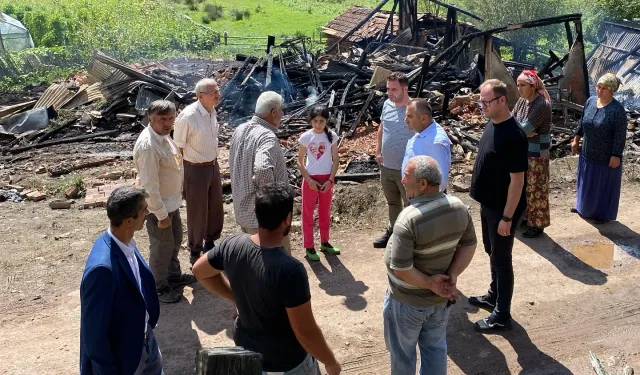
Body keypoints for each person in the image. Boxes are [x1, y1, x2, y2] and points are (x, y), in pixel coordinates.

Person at [192, 183, 341, 375]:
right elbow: (305, 331)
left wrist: (234, 297)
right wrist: (330, 362)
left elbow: (200, 271)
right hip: (285, 364)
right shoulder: (290, 270)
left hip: (247, 357)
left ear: (256, 212)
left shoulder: (232, 244)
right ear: (287, 219)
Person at [383, 156, 477, 375]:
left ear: (423, 184)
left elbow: (401, 268)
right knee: (435, 349)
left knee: (403, 355)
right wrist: (452, 275)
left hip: (407, 302)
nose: (403, 180)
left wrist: (428, 283)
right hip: (439, 301)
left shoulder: (409, 219)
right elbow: (469, 244)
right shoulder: (458, 207)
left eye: (407, 176)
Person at [80, 187, 162, 375]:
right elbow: (94, 336)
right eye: (143, 210)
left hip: (146, 341)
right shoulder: (102, 269)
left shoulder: (126, 243)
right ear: (129, 221)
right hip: (126, 358)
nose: (147, 214)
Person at [469, 79, 528, 332]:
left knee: (502, 259)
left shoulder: (514, 135)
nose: (482, 106)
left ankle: (502, 314)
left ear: (502, 100)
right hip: (488, 205)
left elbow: (517, 181)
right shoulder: (493, 122)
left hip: (502, 210)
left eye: (486, 101)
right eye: (480, 101)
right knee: (491, 252)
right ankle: (494, 296)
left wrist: (507, 217)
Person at [134, 100, 195, 304]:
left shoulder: (164, 137)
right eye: (162, 119)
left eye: (171, 118)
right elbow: (149, 186)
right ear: (150, 119)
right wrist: (160, 214)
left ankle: (173, 276)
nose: (168, 123)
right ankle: (159, 287)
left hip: (172, 203)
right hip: (158, 208)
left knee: (175, 241)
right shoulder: (148, 146)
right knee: (161, 248)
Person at [229, 91, 291, 254]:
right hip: (265, 220)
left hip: (243, 212)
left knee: (254, 266)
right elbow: (262, 169)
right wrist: (273, 203)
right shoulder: (266, 136)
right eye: (281, 110)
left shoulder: (240, 130)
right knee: (278, 269)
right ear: (273, 112)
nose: (282, 114)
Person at [173, 78, 224, 265]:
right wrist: (182, 175)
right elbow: (178, 148)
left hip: (212, 166)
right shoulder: (187, 117)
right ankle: (195, 250)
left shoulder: (212, 112)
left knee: (215, 206)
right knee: (197, 211)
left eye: (217, 90)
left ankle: (209, 242)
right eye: (213, 92)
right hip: (194, 169)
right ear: (200, 96)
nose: (217, 94)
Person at [571, 73, 627, 224]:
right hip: (587, 152)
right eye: (598, 87)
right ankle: (583, 207)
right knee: (586, 181)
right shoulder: (590, 101)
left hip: (605, 156)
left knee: (602, 185)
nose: (599, 90)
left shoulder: (617, 110)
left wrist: (616, 155)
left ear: (612, 91)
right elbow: (582, 122)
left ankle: (601, 214)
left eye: (604, 88)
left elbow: (620, 135)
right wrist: (576, 139)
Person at [374, 72, 415, 249]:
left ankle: (410, 239)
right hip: (386, 165)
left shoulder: (415, 108)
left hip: (407, 168)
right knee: (392, 202)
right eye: (388, 89)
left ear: (405, 89)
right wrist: (377, 151)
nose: (389, 92)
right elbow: (382, 128)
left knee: (410, 204)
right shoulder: (386, 105)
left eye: (394, 89)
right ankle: (393, 233)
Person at [297, 106, 341, 261]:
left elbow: (336, 159)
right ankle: (309, 246)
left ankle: (325, 242)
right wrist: (309, 180)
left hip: (326, 178)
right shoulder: (306, 137)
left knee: (325, 211)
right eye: (315, 121)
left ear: (326, 121)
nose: (318, 124)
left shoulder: (331, 136)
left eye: (322, 121)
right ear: (311, 121)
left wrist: (330, 179)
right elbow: (300, 161)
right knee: (308, 213)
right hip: (310, 178)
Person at [513, 70, 553, 238]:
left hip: (537, 155)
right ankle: (527, 218)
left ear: (533, 86)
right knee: (524, 188)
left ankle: (537, 224)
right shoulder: (522, 101)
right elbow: (512, 121)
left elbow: (524, 129)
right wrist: (522, 130)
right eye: (518, 85)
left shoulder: (542, 104)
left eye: (523, 85)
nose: (519, 89)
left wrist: (523, 130)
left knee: (536, 188)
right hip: (524, 152)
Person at [402, 98, 451, 192]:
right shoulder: (422, 130)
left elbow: (440, 182)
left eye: (410, 116)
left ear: (423, 119)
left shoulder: (435, 143)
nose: (405, 120)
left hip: (425, 200)